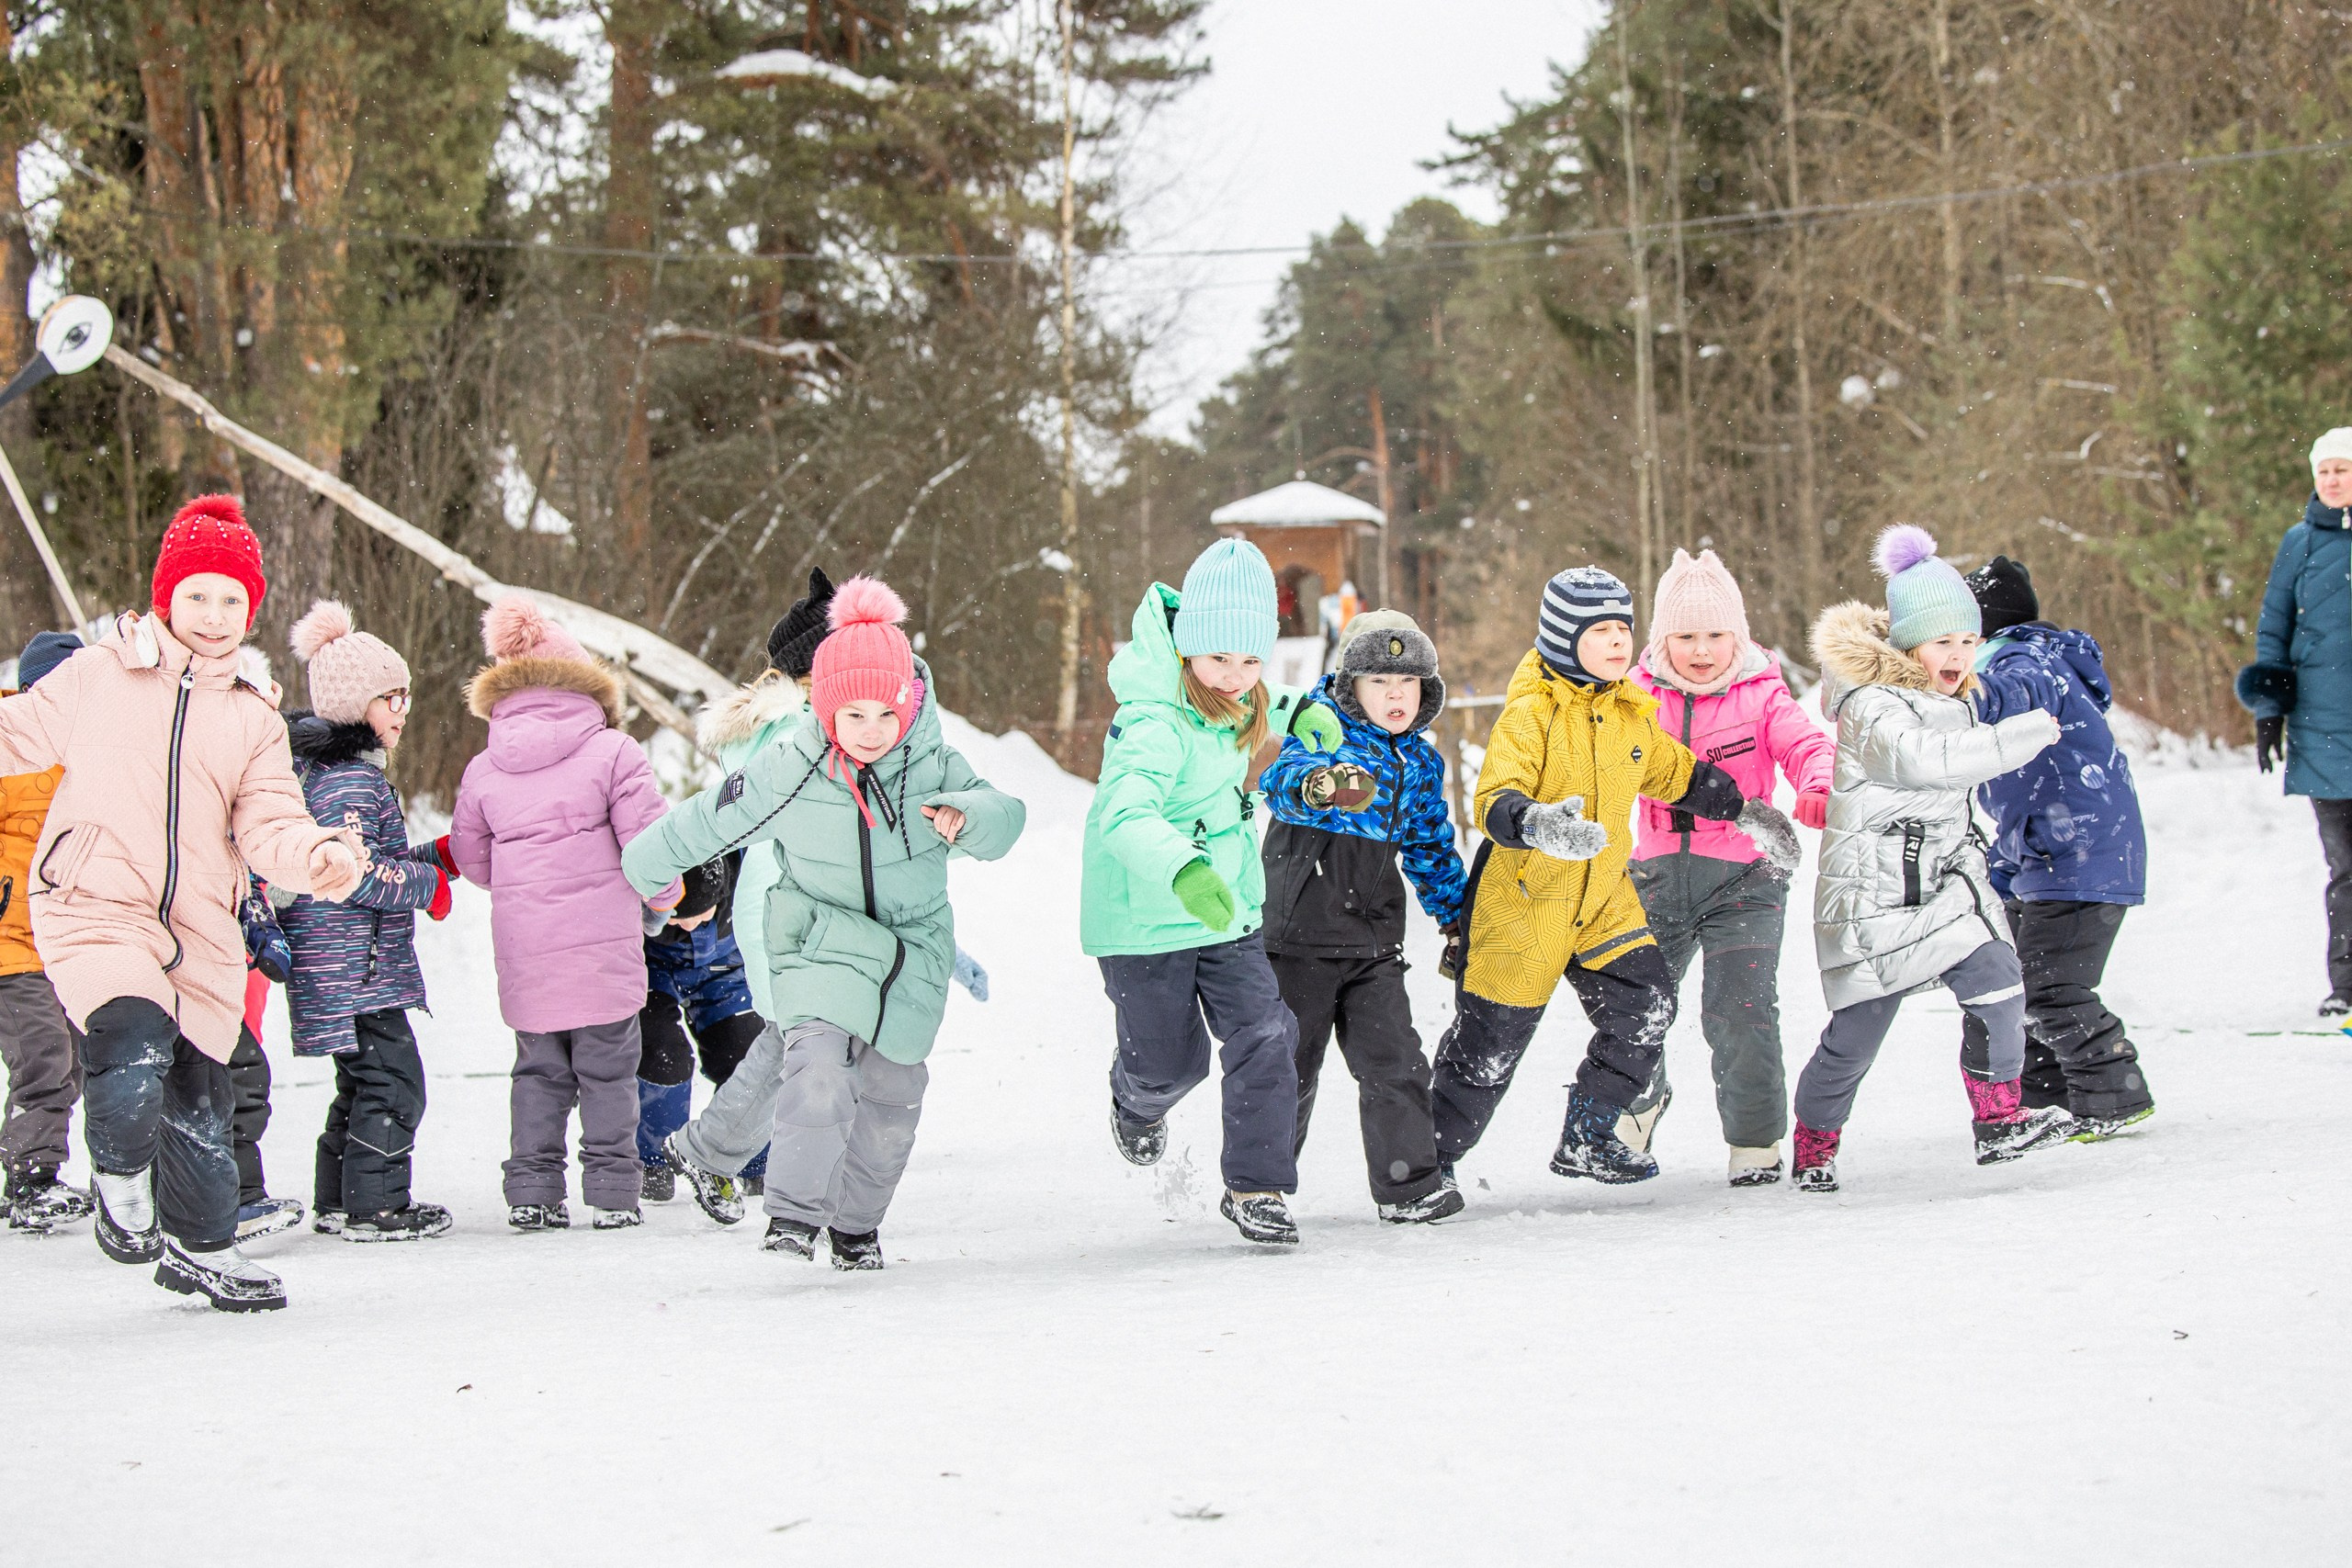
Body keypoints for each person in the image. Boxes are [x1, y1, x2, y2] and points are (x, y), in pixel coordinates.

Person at [0, 494, 364, 1310]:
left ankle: (203, 1248)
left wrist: (318, 856)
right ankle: (120, 1179)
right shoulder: (98, 673)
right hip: (94, 900)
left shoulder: (251, 717)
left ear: (251, 608)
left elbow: (270, 820)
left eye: (232, 598)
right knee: (131, 1037)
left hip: (200, 929)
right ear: (168, 596)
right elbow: (15, 732)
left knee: (204, 1093)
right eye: (198, 594)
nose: (214, 613)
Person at [626, 577, 1024, 1269]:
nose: (871, 732)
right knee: (814, 1071)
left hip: (908, 954)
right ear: (826, 706)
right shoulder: (793, 764)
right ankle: (792, 1215)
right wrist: (639, 868)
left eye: (885, 715)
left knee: (894, 1095)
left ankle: (856, 1226)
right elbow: (712, 815)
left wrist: (972, 817)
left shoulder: (932, 763)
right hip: (819, 941)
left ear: (909, 703)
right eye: (854, 715)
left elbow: (1005, 814)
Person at [1430, 565, 1790, 1186]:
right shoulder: (1531, 713)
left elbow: (1678, 773)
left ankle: (1591, 1132)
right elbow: (1494, 799)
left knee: (1647, 1004)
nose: (1620, 641)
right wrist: (1539, 823)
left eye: (1623, 627)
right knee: (1486, 1056)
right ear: (1565, 640)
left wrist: (1747, 809)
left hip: (1600, 902)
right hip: (1523, 906)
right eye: (1601, 629)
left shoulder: (1629, 712)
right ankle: (1423, 1164)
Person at [1080, 538, 1344, 1247]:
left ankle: (1256, 1185)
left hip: (1224, 910)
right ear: (1187, 648)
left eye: (1250, 660)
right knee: (1171, 1065)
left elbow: (1260, 701)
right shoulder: (1152, 722)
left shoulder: (1238, 697)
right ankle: (1134, 1103)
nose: (1235, 676)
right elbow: (1124, 814)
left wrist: (1300, 714)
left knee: (1266, 1031)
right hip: (1147, 919)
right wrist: (1182, 870)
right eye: (1220, 658)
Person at [1792, 526, 2069, 1192]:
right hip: (1873, 899)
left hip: (1939, 889)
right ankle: (1813, 1144)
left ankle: (1999, 1118)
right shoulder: (1871, 705)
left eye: (1970, 641)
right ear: (1910, 643)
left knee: (2001, 982)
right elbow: (1925, 763)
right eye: (1945, 641)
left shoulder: (1953, 699)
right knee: (1853, 1040)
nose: (1960, 654)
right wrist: (2020, 735)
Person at [448, 596, 677, 1233]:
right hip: (604, 950)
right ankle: (611, 1191)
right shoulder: (614, 752)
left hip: (528, 952)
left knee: (540, 1071)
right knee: (608, 1072)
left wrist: (524, 883)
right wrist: (664, 900)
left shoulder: (484, 768)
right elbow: (651, 848)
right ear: (588, 688)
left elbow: (471, 859)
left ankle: (533, 1187)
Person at [1618, 548, 1834, 1186]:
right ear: (1663, 639)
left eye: (1716, 635)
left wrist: (1817, 783)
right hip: (1655, 875)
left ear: (1737, 637)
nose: (1702, 650)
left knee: (1738, 1010)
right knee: (1633, 1003)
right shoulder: (1634, 695)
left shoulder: (1761, 693)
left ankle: (1755, 1141)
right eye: (1685, 636)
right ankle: (1640, 1099)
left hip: (1746, 877)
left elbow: (1806, 744)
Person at [1257, 609, 1466, 1224]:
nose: (1396, 694)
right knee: (1288, 1066)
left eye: (1409, 683)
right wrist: (1321, 784)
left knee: (1394, 1061)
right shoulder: (1324, 733)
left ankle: (1408, 1185)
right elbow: (1280, 776)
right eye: (1379, 681)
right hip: (1300, 933)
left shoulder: (1420, 766)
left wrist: (1457, 918)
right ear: (1352, 686)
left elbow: (1430, 848)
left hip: (1375, 940)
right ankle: (1259, 1185)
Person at [281, 600, 459, 1242]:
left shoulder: (327, 772)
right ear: (357, 705)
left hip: (340, 964)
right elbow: (356, 874)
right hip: (356, 965)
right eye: (391, 697)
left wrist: (429, 858)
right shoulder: (350, 782)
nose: (404, 710)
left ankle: (339, 1198)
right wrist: (428, 885)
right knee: (395, 1082)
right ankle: (376, 1206)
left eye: (406, 695)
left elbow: (369, 857)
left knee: (360, 1083)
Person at [1964, 555, 2154, 1137]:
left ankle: (2114, 1096)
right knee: (2019, 987)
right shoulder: (2037, 655)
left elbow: (2006, 697)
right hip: (2044, 852)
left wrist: (1954, 696)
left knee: (2051, 989)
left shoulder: (2027, 661)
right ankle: (2052, 1100)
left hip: (2078, 856)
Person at [2237, 427, 2352, 1017]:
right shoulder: (2299, 543)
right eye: (2324, 470)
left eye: (2343, 469)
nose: (2332, 480)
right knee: (2346, 870)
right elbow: (2273, 628)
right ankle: (2346, 989)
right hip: (2323, 735)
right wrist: (2269, 711)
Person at [0, 630, 89, 1234]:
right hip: (11, 945)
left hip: (65, 944)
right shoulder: (9, 749)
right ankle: (29, 1181)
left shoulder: (94, 759)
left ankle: (42, 1170)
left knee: (71, 1062)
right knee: (44, 1059)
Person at [224, 647, 305, 1242]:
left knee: (239, 1068)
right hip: (208, 948)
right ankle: (233, 1196)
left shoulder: (269, 769)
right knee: (230, 1073)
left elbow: (274, 863)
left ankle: (227, 1194)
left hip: (249, 949)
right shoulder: (208, 768)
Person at [634, 854, 763, 1203]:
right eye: (679, 919)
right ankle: (654, 1160)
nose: (689, 925)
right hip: (653, 969)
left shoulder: (748, 871)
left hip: (726, 970)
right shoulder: (644, 873)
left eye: (699, 916)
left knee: (745, 1053)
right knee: (663, 1054)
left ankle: (753, 1158)